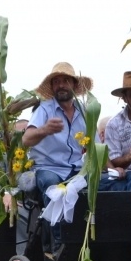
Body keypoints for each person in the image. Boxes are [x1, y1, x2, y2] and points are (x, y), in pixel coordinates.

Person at [22, 62, 92, 202]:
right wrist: (45, 130)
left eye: (66, 81)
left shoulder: (85, 112)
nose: (61, 85)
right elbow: (26, 139)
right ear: (53, 87)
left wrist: (114, 168)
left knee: (103, 183)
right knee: (53, 185)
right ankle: (51, 223)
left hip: (77, 169)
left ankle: (89, 223)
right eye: (56, 81)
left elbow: (96, 146)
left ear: (74, 85)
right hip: (49, 168)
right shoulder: (44, 109)